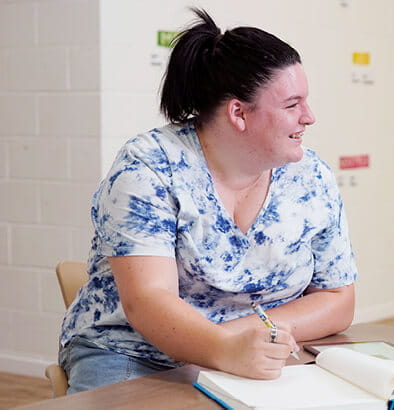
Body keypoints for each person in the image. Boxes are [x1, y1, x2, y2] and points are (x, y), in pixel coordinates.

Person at [59, 8, 357, 393]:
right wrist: (224, 346)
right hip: (133, 352)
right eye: (292, 105)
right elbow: (149, 301)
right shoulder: (149, 169)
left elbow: (338, 299)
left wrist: (240, 341)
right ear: (238, 113)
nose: (309, 117)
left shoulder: (311, 177)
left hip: (256, 357)